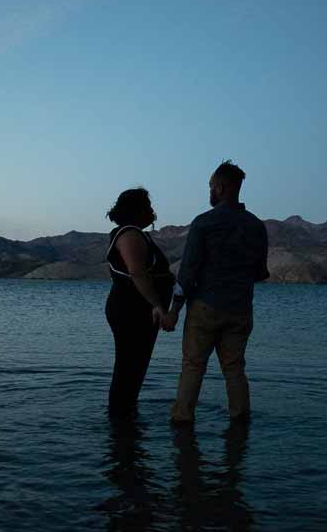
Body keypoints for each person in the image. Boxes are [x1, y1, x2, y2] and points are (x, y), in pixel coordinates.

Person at [160, 161, 270, 424]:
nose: (209, 191)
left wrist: (173, 311)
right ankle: (240, 429)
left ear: (220, 188)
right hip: (240, 309)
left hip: (205, 307)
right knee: (234, 370)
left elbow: (187, 273)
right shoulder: (256, 226)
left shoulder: (204, 223)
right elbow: (260, 273)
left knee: (193, 366)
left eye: (211, 186)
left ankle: (182, 422)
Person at [105, 188, 175, 417]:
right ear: (138, 210)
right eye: (148, 206)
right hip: (131, 310)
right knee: (129, 368)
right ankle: (121, 425)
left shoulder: (135, 234)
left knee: (133, 368)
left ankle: (125, 421)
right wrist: (157, 304)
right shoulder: (130, 234)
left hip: (137, 310)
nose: (152, 212)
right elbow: (137, 272)